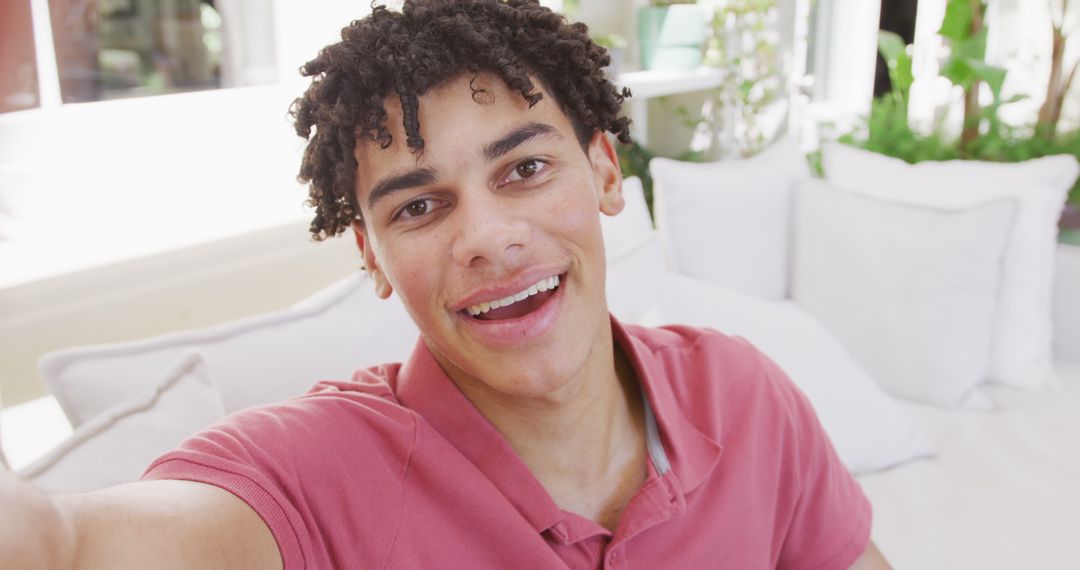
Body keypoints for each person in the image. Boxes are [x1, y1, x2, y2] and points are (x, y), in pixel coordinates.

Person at [1, 1, 891, 568]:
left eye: (525, 169)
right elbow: (83, 546)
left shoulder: (743, 395)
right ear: (371, 256)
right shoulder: (312, 473)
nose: (488, 238)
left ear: (607, 171)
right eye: (420, 208)